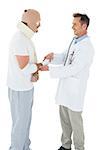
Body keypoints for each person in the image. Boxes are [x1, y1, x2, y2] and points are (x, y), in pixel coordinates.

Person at [42, 13, 94, 150]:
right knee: (64, 120)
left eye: (75, 24)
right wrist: (53, 57)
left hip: (75, 92)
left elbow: (73, 68)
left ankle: (79, 148)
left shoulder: (87, 47)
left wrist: (49, 69)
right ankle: (65, 146)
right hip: (65, 90)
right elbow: (66, 57)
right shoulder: (75, 40)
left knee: (76, 123)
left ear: (84, 26)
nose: (72, 27)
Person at [7, 9, 42, 150]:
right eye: (38, 23)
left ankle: (24, 147)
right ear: (32, 22)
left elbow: (26, 67)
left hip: (24, 88)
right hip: (20, 89)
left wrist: (35, 71)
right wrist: (38, 67)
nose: (39, 26)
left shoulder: (24, 38)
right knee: (20, 124)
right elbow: (24, 68)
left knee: (24, 122)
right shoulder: (20, 39)